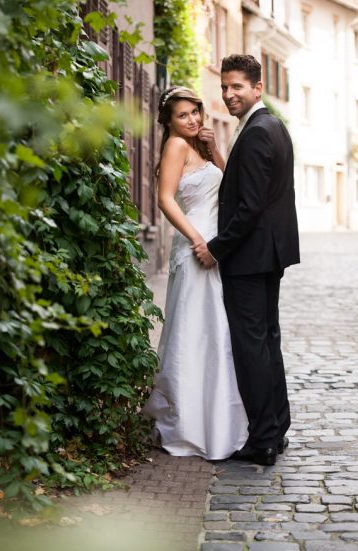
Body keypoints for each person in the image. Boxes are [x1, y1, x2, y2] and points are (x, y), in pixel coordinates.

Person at [193, 54, 300, 466]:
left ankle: (262, 441)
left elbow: (250, 205)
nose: (228, 93)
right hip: (268, 255)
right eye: (224, 86)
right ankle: (277, 427)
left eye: (236, 86)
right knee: (267, 341)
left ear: (257, 87)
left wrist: (216, 247)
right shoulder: (270, 126)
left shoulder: (257, 131)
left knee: (251, 346)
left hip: (251, 257)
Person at [143, 85, 248, 460]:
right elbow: (165, 199)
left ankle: (219, 419)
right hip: (195, 248)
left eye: (195, 112)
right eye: (183, 115)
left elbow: (228, 183)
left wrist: (214, 146)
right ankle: (188, 423)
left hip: (214, 247)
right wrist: (198, 240)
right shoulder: (174, 146)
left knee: (216, 332)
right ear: (168, 121)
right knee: (195, 331)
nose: (192, 120)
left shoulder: (199, 146)